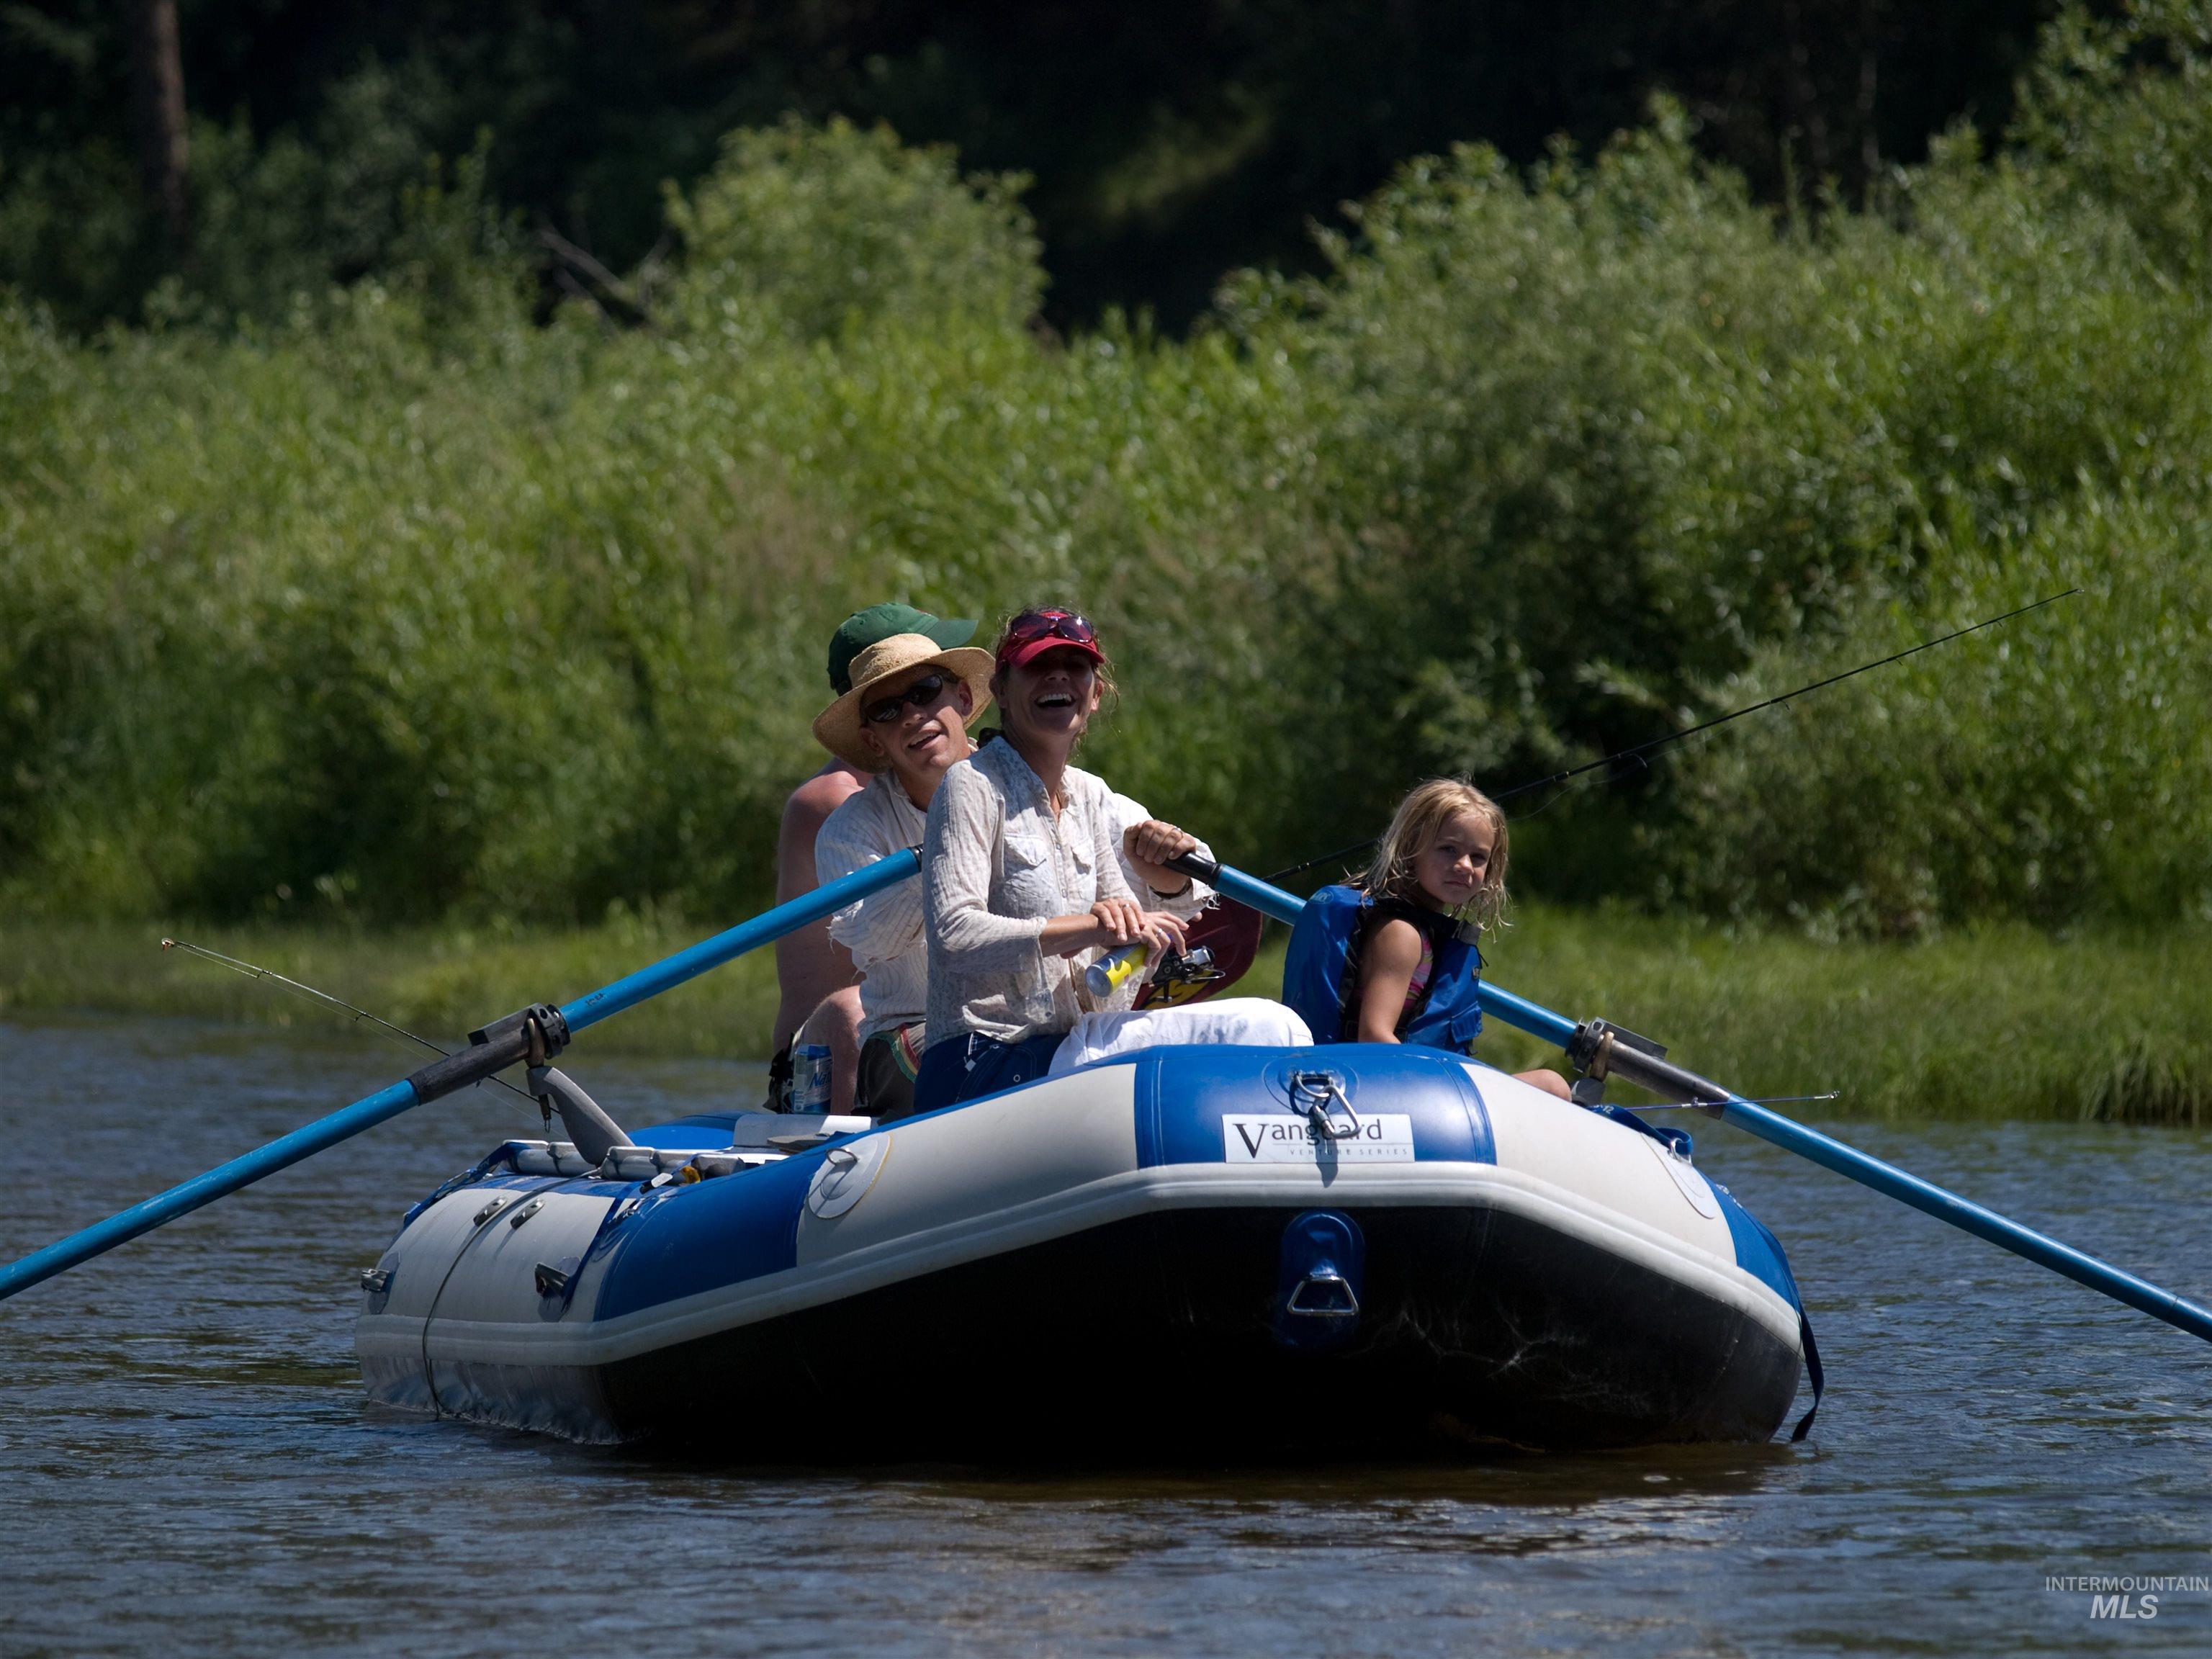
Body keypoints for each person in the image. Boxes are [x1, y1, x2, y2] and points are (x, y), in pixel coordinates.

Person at [914, 608, 1309, 1115]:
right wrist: (1090, 928)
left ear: (1096, 694)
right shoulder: (970, 785)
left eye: (1075, 667)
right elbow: (953, 939)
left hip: (1072, 1046)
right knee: (1262, 1030)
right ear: (1002, 692)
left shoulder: (1092, 796)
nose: (1058, 675)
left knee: (1276, 1024)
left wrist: (1142, 941)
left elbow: (1112, 982)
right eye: (1038, 665)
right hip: (983, 1062)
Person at [768, 603, 979, 1112]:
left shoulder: (990, 774)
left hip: (946, 1026)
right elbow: (878, 951)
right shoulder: (835, 804)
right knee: (849, 1010)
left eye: (926, 690)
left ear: (959, 695)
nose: (914, 714)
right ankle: (836, 1176)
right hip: (836, 1054)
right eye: (889, 705)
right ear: (867, 727)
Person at [1282, 777, 1571, 1099]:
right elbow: (1374, 1036)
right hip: (1381, 1087)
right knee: (1553, 1086)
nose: (1464, 865)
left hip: (1410, 1079)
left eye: (1478, 857)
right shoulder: (1401, 935)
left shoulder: (1418, 928)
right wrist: (1439, 1082)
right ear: (1410, 849)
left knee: (1552, 1085)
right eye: (1449, 849)